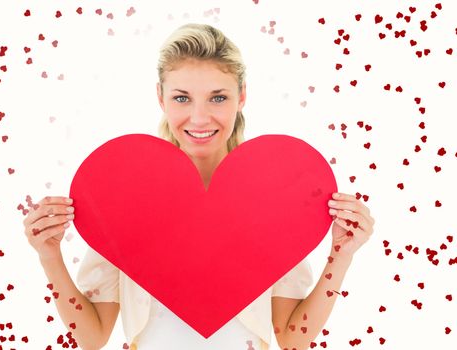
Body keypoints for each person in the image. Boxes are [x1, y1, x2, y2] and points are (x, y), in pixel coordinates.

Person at [23, 23, 375, 350]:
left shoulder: (272, 195)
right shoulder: (126, 193)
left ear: (242, 97)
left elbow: (291, 339)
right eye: (182, 98)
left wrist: (340, 257)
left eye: (218, 98)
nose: (200, 117)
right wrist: (49, 256)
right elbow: (92, 336)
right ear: (161, 98)